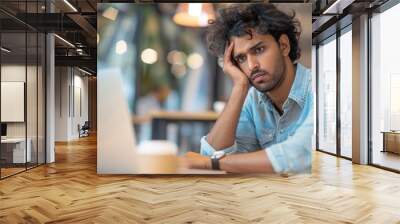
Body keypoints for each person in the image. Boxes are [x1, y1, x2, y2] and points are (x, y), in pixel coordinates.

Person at [184, 3, 314, 174]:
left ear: (283, 45)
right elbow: (213, 153)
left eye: (259, 50)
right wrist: (240, 86)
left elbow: (298, 156)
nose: (252, 66)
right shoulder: (253, 99)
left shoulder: (318, 88)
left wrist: (211, 163)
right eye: (241, 58)